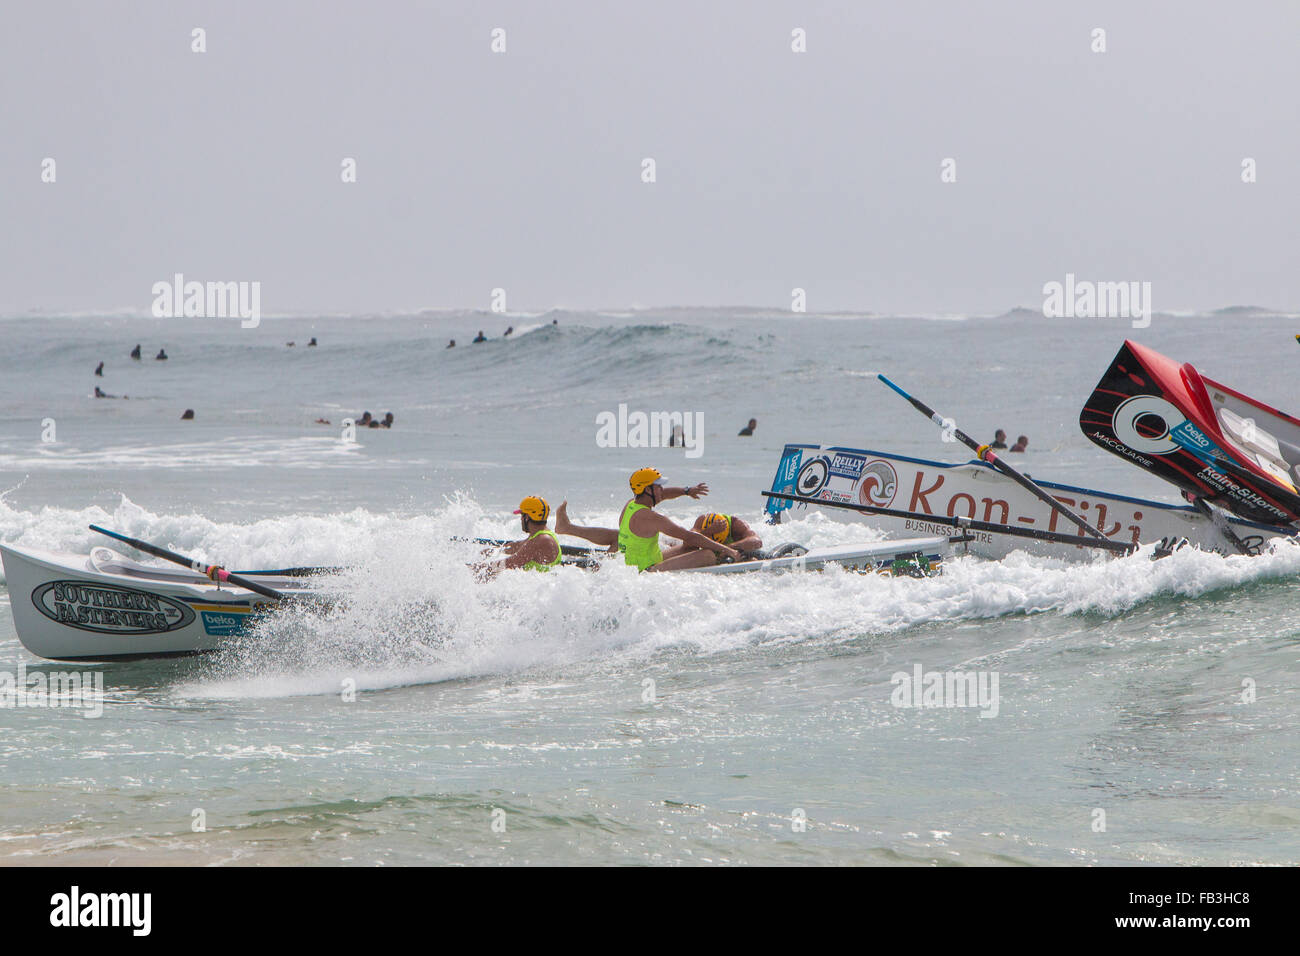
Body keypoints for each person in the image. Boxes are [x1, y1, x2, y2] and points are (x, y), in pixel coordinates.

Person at [555, 467, 739, 571]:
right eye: (658, 487)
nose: (661, 490)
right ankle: (728, 556)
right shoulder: (652, 517)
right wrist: (726, 549)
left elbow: (665, 495)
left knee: (687, 548)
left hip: (633, 561)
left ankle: (568, 527)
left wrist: (686, 491)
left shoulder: (631, 504)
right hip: (646, 570)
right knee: (706, 554)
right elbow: (690, 536)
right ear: (647, 490)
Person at [484, 496, 562, 574]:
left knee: (489, 574)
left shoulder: (541, 540)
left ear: (527, 517)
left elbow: (511, 563)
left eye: (522, 515)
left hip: (543, 584)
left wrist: (480, 568)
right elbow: (518, 545)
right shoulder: (538, 536)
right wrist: (494, 551)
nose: (521, 519)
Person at [685, 513, 763, 555]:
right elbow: (686, 542)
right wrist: (707, 532)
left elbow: (757, 542)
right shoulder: (701, 521)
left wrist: (726, 548)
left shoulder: (736, 525)